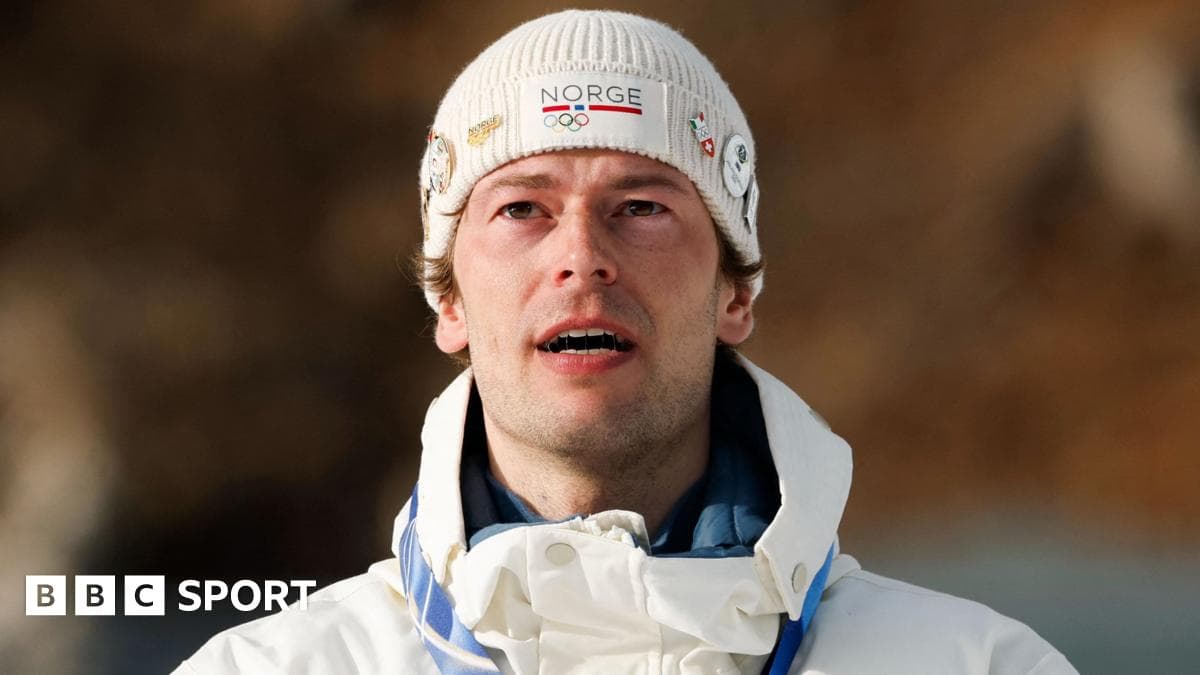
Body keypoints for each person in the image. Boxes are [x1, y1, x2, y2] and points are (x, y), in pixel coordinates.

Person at [177, 10, 1078, 674]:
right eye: (522, 207)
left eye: (641, 207)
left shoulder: (981, 665)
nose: (582, 257)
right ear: (448, 300)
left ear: (735, 291)